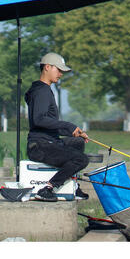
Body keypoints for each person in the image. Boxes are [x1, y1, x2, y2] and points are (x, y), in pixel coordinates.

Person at [25, 52, 90, 202]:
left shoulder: (44, 90)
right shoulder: (42, 91)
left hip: (48, 141)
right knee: (81, 160)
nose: (61, 74)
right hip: (39, 146)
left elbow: (47, 124)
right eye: (58, 70)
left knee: (77, 142)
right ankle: (48, 188)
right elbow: (39, 120)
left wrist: (73, 131)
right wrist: (68, 125)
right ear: (47, 67)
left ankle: (72, 184)